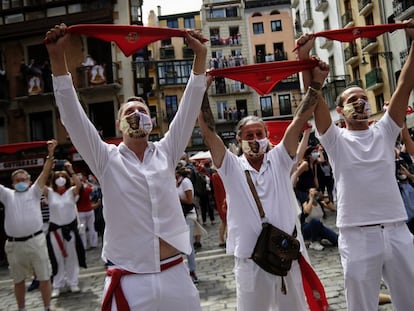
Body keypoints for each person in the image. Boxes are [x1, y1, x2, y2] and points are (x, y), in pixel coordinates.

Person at [45, 23, 207, 310]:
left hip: (175, 274)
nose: (135, 114)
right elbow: (72, 116)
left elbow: (190, 107)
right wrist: (58, 59)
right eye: (128, 112)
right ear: (120, 125)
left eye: (142, 111)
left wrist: (200, 58)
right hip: (130, 281)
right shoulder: (105, 158)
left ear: (151, 123)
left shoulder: (167, 152)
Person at [297, 20, 414, 311]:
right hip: (357, 234)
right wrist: (305, 59)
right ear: (340, 110)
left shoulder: (385, 131)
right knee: (361, 306)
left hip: (397, 230)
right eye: (352, 99)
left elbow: (405, 84)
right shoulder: (335, 139)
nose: (360, 102)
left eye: (363, 97)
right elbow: (313, 100)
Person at [198, 60, 330, 310]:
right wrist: (202, 91)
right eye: (249, 135)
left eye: (260, 134)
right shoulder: (231, 165)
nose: (256, 139)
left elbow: (299, 119)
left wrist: (316, 83)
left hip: (286, 258)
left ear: (267, 137)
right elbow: (208, 133)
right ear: (239, 139)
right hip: (249, 261)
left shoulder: (280, 158)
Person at [0, 140, 55, 311]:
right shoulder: (7, 195)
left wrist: (50, 153)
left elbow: (45, 172)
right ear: (13, 183)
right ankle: (21, 309)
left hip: (35, 241)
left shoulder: (34, 191)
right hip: (14, 245)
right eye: (17, 180)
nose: (21, 181)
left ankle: (47, 307)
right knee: (18, 280)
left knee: (44, 277)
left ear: (30, 181)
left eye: (24, 179)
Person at [45, 159, 86, 298]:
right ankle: (57, 284)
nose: (60, 179)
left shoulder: (71, 192)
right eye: (57, 177)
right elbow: (40, 183)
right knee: (56, 258)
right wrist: (49, 167)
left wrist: (71, 170)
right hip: (55, 231)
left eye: (62, 177)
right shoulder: (49, 193)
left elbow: (79, 185)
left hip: (70, 229)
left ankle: (73, 282)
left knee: (71, 256)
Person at [175, 164, 199, 284]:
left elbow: (190, 200)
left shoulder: (186, 182)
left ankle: (192, 271)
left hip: (188, 215)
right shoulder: (176, 183)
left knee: (188, 244)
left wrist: (175, 197)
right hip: (178, 216)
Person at [76, 173, 98, 250]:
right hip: (89, 210)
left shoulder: (76, 189)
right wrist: (86, 181)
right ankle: (94, 243)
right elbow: (94, 188)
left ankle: (83, 246)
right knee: (91, 227)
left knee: (82, 230)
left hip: (80, 211)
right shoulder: (87, 188)